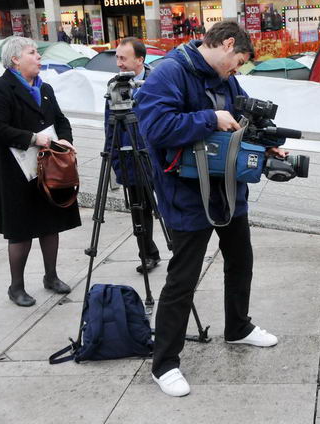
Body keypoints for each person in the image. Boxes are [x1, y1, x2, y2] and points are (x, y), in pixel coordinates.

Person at [135, 21, 285, 397]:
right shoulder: (170, 72)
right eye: (238, 61)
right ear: (227, 44)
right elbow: (155, 128)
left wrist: (266, 142)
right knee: (183, 278)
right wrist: (209, 118)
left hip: (227, 188)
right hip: (186, 195)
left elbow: (245, 117)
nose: (237, 70)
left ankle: (238, 327)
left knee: (241, 261)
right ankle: (164, 364)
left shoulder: (225, 79)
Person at [0, 36, 81, 307]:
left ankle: (51, 276)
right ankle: (16, 287)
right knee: (21, 231)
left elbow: (60, 120)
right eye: (33, 52)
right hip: (15, 172)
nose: (39, 57)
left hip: (48, 169)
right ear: (15, 59)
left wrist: (65, 139)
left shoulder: (44, 87)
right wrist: (32, 138)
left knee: (51, 224)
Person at [104, 37, 161, 274]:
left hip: (158, 157)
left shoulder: (157, 81)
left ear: (140, 59)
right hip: (130, 158)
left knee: (169, 206)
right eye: (117, 58)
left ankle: (181, 253)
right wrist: (114, 159)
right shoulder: (114, 85)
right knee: (139, 210)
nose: (119, 63)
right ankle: (148, 254)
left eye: (123, 58)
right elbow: (109, 125)